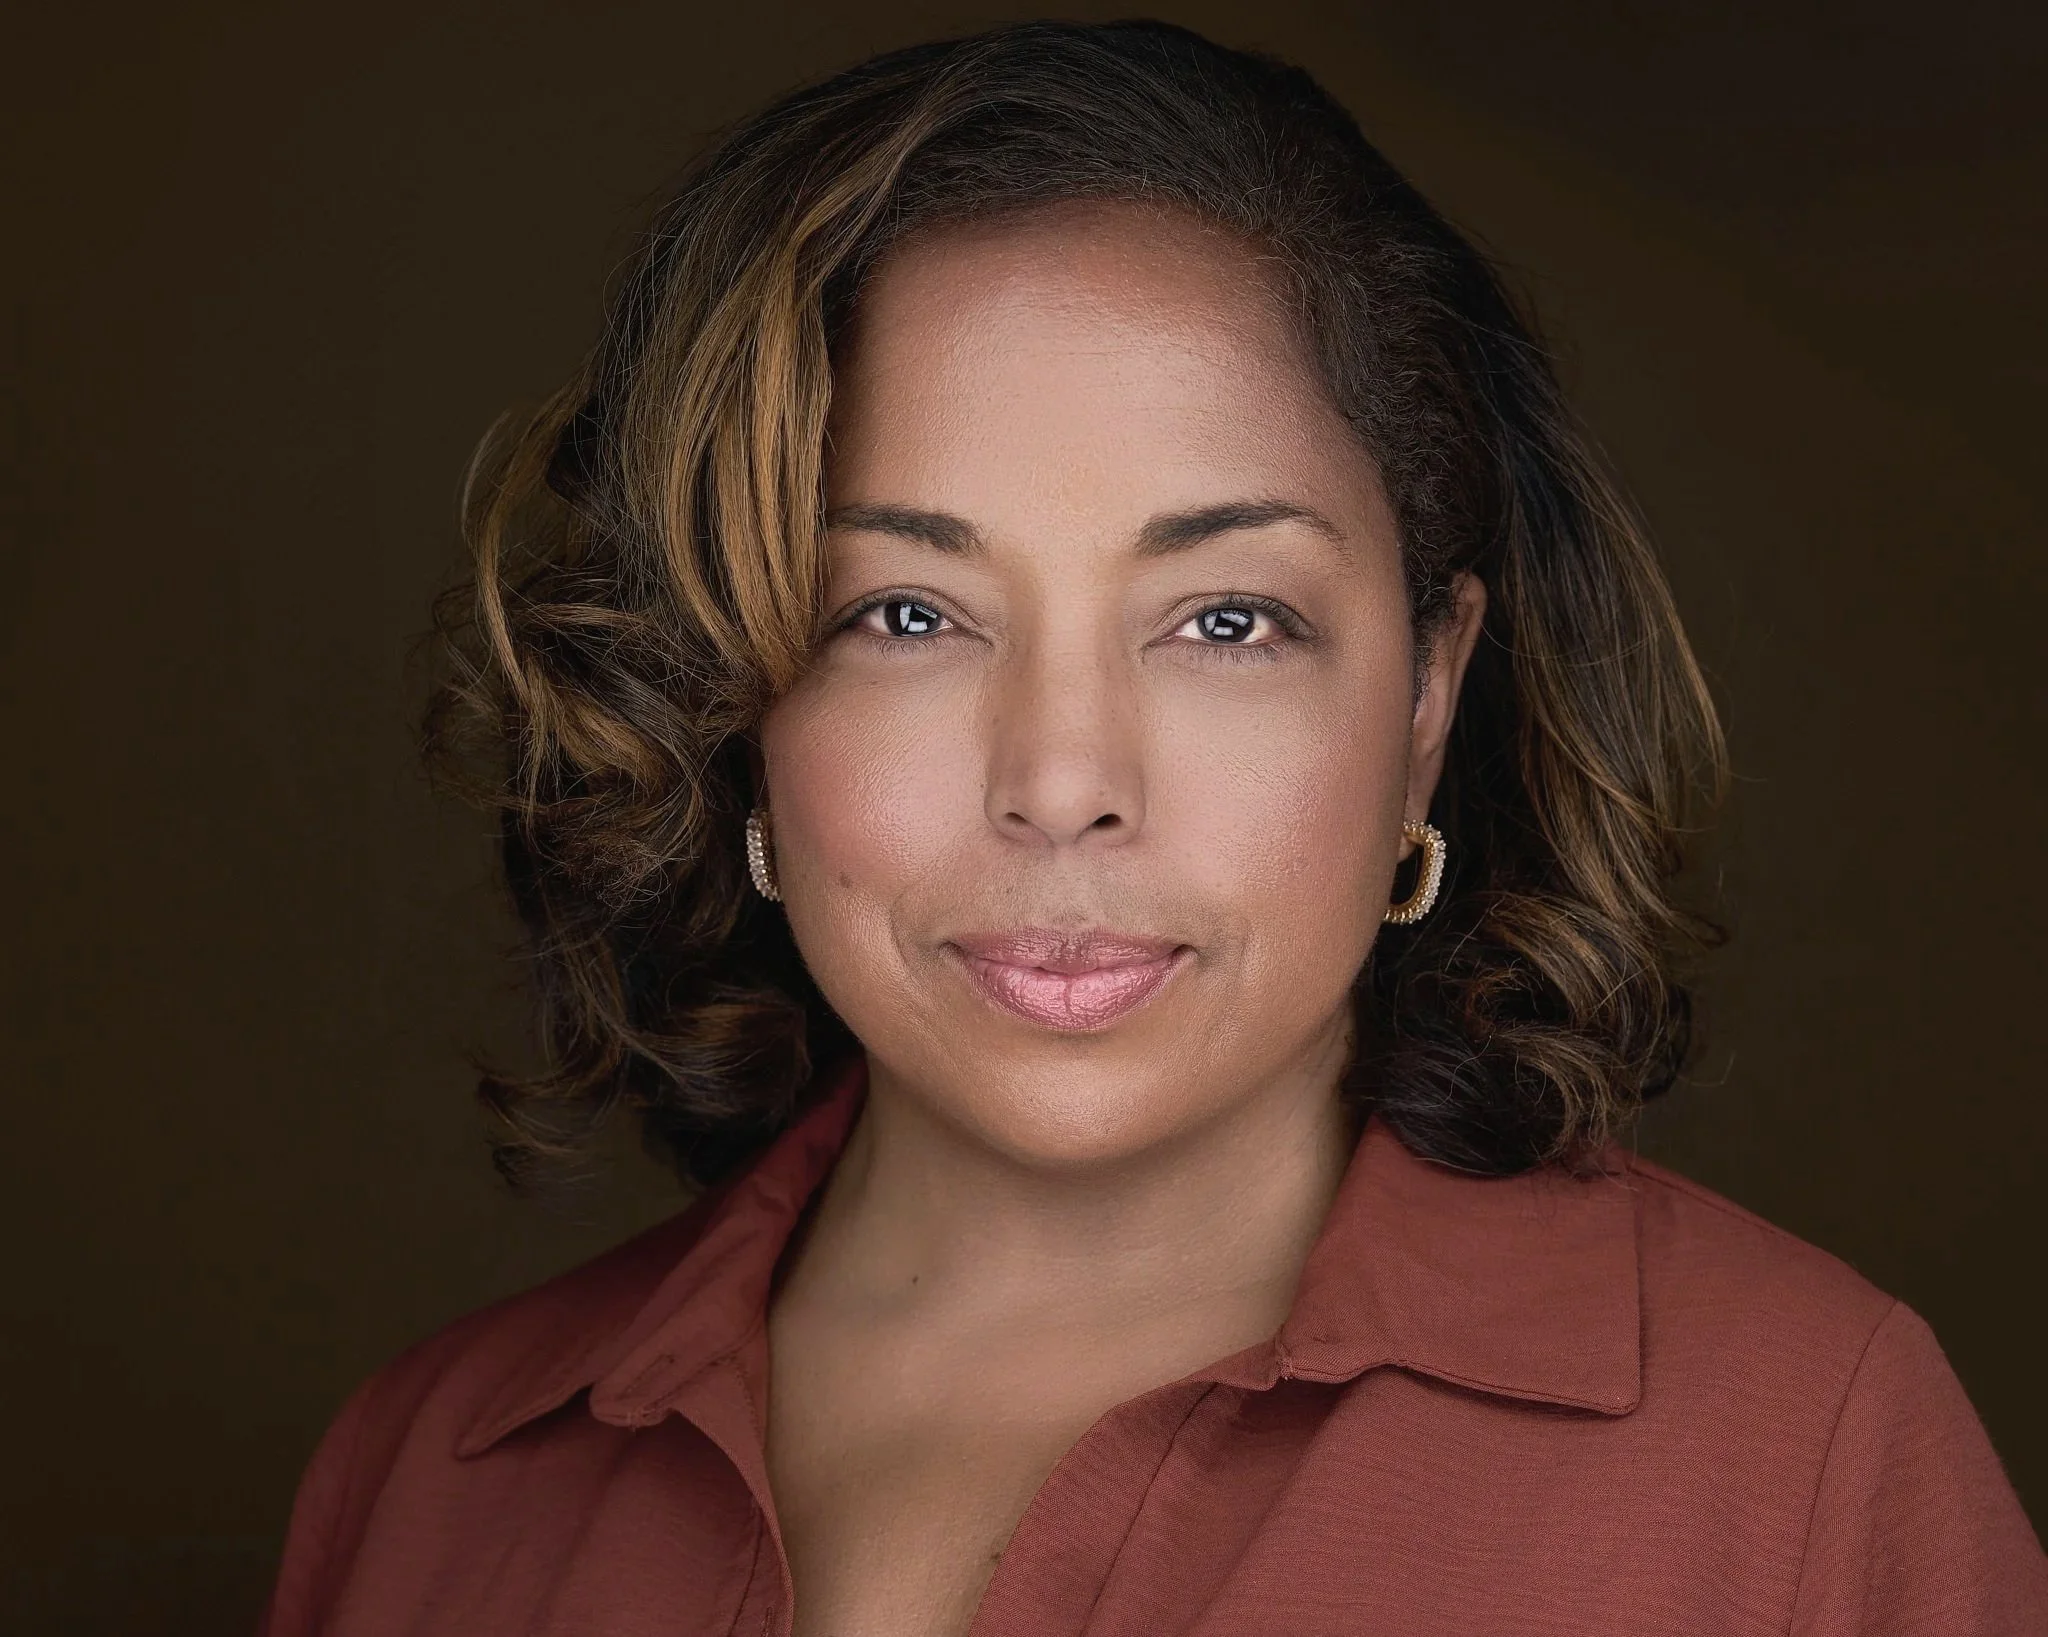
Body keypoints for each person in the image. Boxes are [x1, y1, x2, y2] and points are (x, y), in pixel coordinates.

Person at [261, 19, 2048, 1636]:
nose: (1060, 778)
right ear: (730, 709)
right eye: (902, 614)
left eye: (1224, 620)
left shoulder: (1801, 1455)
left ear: (1427, 699)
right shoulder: (435, 1481)